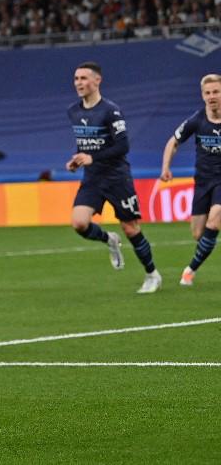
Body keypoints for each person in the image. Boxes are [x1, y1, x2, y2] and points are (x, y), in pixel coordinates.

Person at [67, 61, 161, 293]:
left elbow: (123, 146)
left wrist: (93, 157)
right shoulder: (73, 111)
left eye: (84, 78)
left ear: (97, 81)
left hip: (117, 177)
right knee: (79, 223)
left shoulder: (111, 111)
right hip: (92, 178)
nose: (79, 83)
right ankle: (109, 239)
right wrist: (78, 160)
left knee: (130, 228)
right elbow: (87, 145)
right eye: (76, 78)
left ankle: (152, 274)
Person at [159, 74, 221, 286]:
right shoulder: (197, 119)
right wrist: (166, 167)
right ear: (203, 96)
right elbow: (173, 142)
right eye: (208, 93)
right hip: (203, 181)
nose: (212, 96)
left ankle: (190, 270)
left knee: (215, 218)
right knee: (198, 234)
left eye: (216, 92)